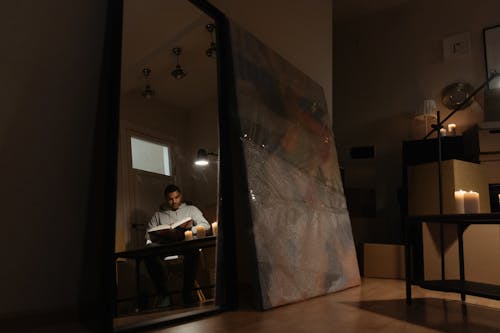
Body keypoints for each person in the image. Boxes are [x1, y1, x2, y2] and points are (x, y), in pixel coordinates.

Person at [144, 184, 210, 308]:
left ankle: (187, 293)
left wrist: (190, 229)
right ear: (165, 199)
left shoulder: (191, 209)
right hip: (166, 246)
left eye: (176, 197)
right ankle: (164, 295)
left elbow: (206, 226)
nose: (174, 201)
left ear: (181, 196)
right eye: (170, 199)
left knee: (194, 251)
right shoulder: (158, 214)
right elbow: (148, 234)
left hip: (185, 243)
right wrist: (160, 234)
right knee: (149, 252)